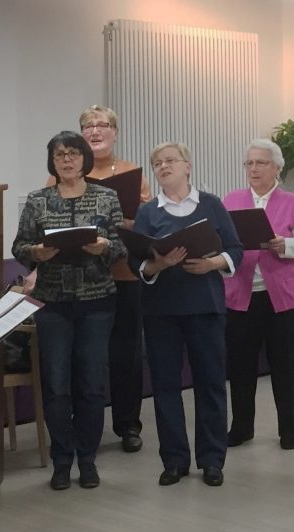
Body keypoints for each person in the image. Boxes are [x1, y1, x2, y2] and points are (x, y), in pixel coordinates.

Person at [13, 132, 127, 490]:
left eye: (74, 153)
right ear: (53, 161)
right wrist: (35, 253)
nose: (67, 159)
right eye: (60, 154)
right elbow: (19, 245)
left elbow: (120, 248)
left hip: (97, 301)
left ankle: (88, 460)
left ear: (84, 159)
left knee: (92, 385)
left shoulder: (106, 196)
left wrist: (104, 247)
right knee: (57, 386)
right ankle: (62, 460)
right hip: (53, 303)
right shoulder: (37, 200)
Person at [129, 142, 243, 487]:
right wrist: (159, 263)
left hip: (206, 307)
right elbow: (137, 261)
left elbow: (235, 248)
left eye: (170, 161)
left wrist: (211, 263)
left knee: (210, 384)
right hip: (161, 311)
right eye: (157, 163)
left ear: (188, 166)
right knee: (165, 386)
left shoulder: (211, 205)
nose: (163, 167)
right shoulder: (148, 212)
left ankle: (212, 460)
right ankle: (175, 460)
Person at [44, 105, 154, 454]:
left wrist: (116, 220)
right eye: (88, 126)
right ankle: (81, 426)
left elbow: (146, 226)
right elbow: (46, 225)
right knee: (81, 357)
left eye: (103, 125)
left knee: (126, 353)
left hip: (122, 274)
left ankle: (128, 425)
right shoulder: (59, 176)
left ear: (115, 133)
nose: (95, 131)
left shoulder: (133, 173)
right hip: (76, 278)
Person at [222, 139, 294, 450]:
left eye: (260, 163)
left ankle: (289, 430)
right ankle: (242, 427)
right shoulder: (231, 200)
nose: (254, 169)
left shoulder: (293, 202)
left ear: (277, 167)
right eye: (249, 163)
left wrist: (283, 245)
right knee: (240, 366)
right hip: (240, 296)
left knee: (285, 367)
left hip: (283, 300)